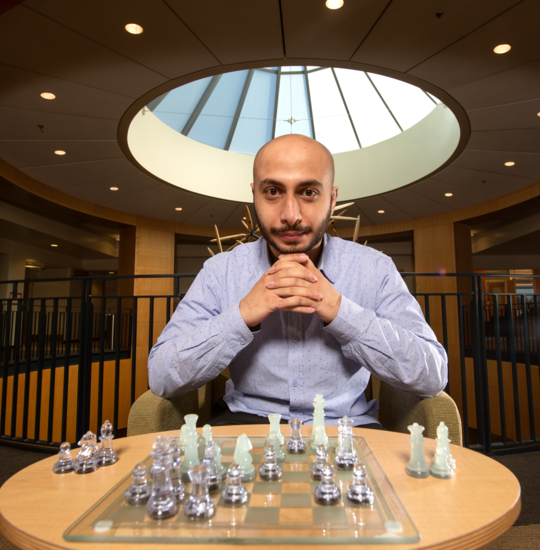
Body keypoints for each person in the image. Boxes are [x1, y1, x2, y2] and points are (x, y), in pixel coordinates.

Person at [148, 134, 448, 427]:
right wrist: (241, 316)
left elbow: (432, 375)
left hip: (345, 425)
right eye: (273, 191)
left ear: (332, 199)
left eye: (308, 192)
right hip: (245, 422)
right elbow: (161, 376)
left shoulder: (375, 268)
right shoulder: (220, 271)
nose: (290, 216)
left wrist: (341, 311)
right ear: (254, 196)